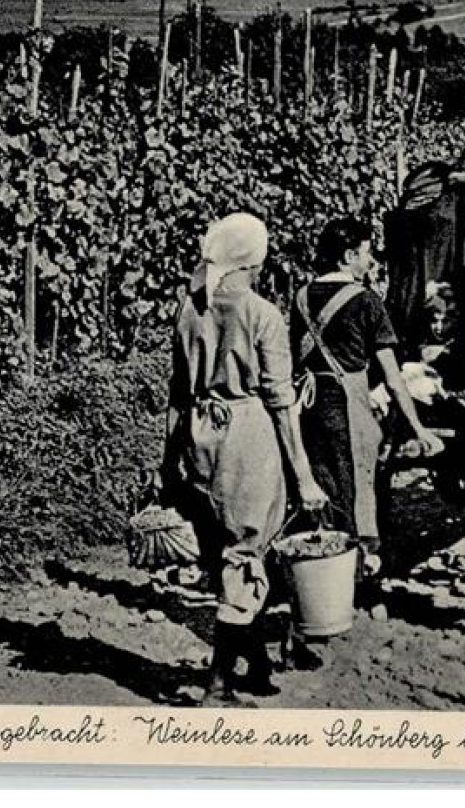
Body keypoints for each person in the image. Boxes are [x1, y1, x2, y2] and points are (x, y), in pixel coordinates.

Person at [161, 212, 328, 704]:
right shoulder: (262, 314)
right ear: (250, 261)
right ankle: (218, 681)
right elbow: (280, 401)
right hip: (246, 436)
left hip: (199, 433)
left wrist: (169, 459)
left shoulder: (189, 311)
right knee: (248, 552)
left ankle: (253, 662)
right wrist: (303, 474)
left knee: (222, 546)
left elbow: (175, 392)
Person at [291, 217, 446, 577]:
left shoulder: (300, 298)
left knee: (319, 488)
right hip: (348, 408)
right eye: (365, 253)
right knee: (358, 493)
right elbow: (393, 378)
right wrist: (419, 429)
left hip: (308, 406)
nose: (370, 261)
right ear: (348, 256)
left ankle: (317, 572)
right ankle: (355, 579)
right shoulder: (366, 301)